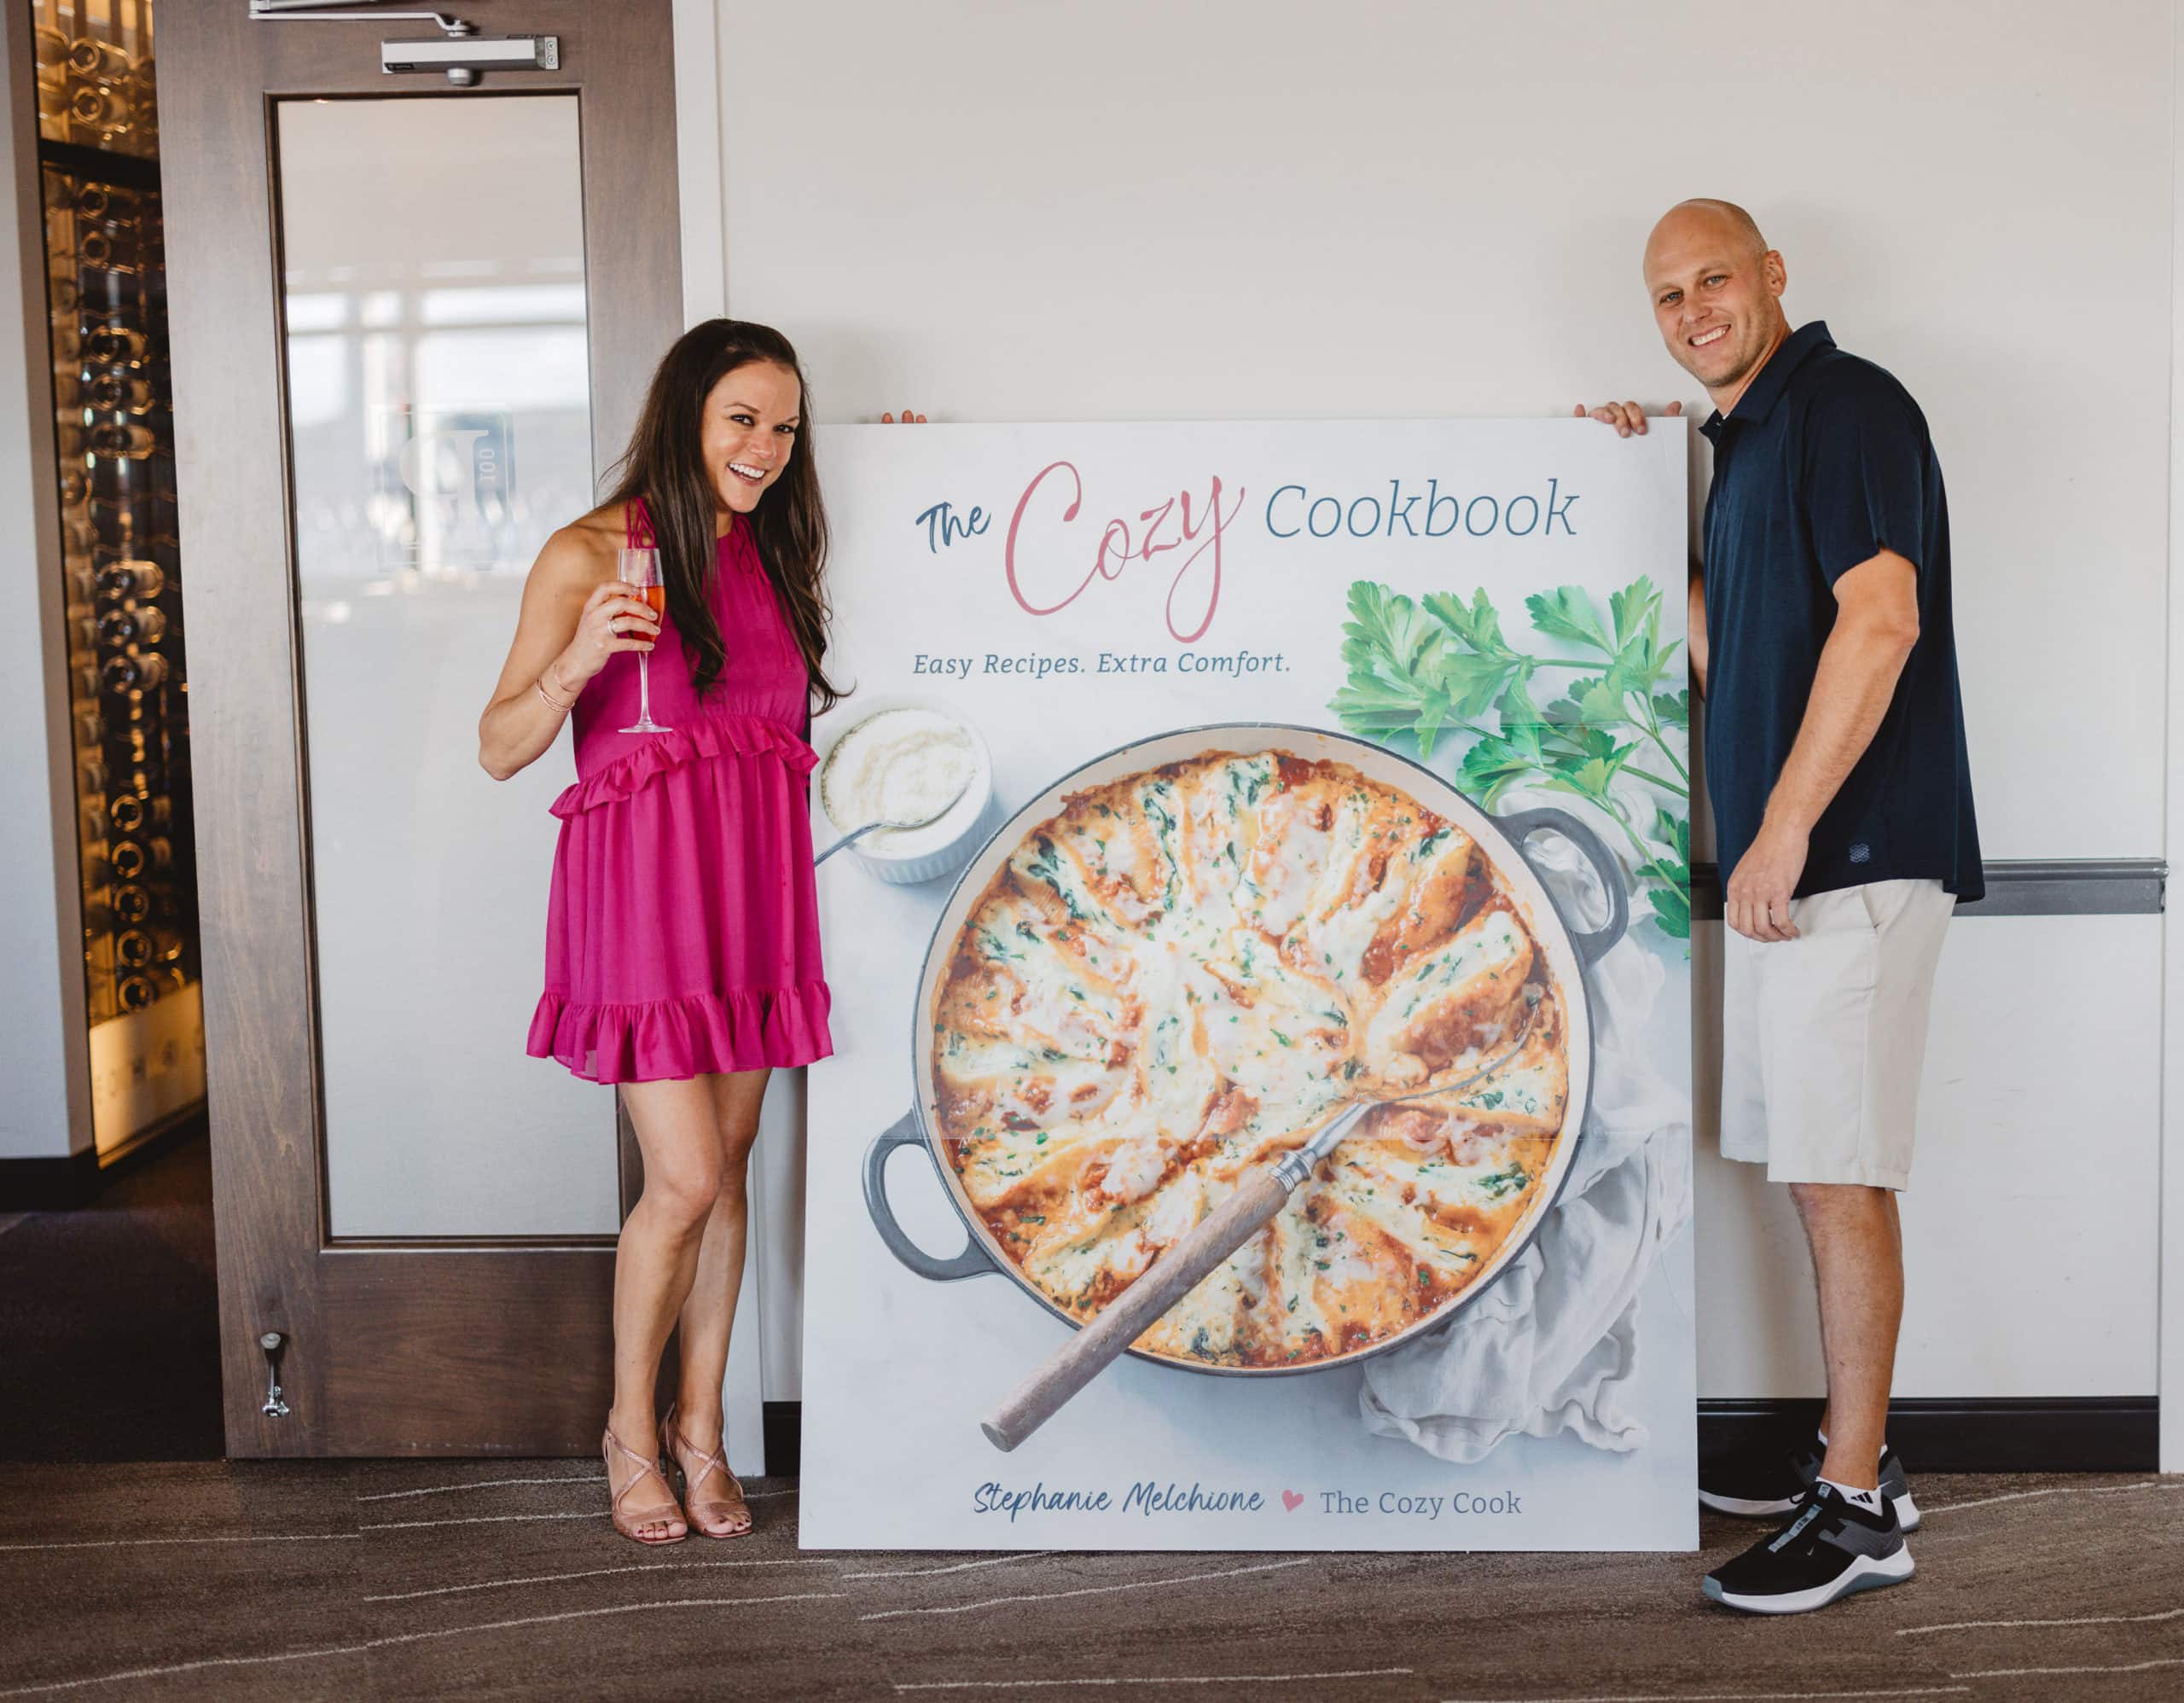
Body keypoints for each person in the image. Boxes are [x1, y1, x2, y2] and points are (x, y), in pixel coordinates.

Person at [1582, 200, 1980, 1613]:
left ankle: (1859, 1506)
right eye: (1667, 296)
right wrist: (1612, 478)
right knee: (1814, 1160)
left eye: (1713, 281)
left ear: (1773, 279)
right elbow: (1727, 644)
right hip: (1794, 876)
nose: (1692, 311)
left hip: (1849, 861)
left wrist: (1787, 829)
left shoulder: (1848, 403)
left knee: (1839, 1173)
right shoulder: (1744, 446)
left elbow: (1884, 621)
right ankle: (1841, 1452)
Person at [479, 320, 841, 1543]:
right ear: (686, 413)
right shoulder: (589, 552)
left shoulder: (775, 552)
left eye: (785, 425)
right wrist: (581, 656)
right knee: (682, 1177)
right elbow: (499, 746)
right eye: (744, 418)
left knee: (726, 1172)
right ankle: (629, 1430)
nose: (767, 447)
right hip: (641, 893)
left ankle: (706, 1435)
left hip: (751, 884)